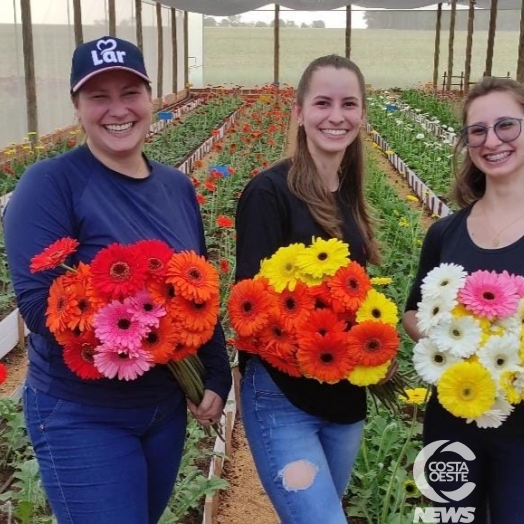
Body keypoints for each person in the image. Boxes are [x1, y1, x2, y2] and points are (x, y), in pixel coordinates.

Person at [3, 36, 232, 524]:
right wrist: (142, 322)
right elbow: (38, 307)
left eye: (130, 92)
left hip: (163, 410)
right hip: (81, 413)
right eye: (98, 96)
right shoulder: (50, 183)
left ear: (150, 98)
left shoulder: (175, 187)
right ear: (77, 106)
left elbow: (199, 290)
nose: (117, 109)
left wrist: (213, 372)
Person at [235, 55, 382, 524]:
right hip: (282, 396)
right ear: (298, 112)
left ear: (361, 114)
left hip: (344, 398)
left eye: (348, 104)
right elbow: (251, 310)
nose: (335, 116)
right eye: (322, 103)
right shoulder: (268, 193)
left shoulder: (347, 189)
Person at [403, 76, 524, 524]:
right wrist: (452, 343)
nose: (491, 141)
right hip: (451, 420)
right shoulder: (446, 231)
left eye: (506, 126)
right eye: (477, 131)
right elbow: (413, 311)